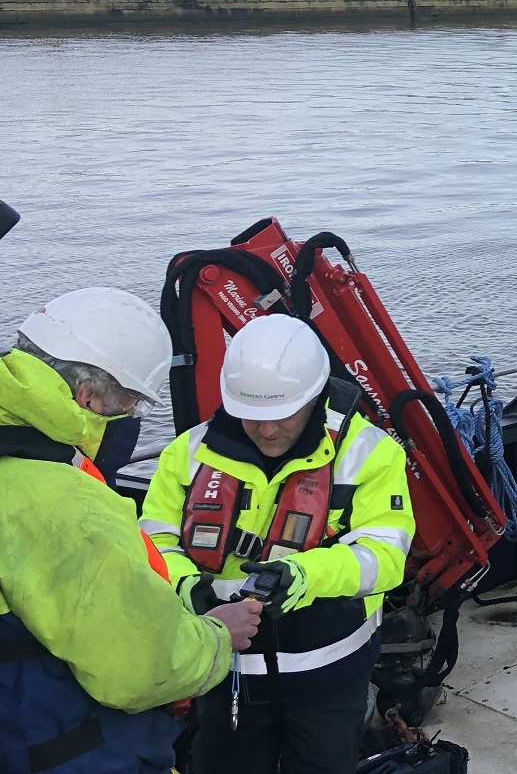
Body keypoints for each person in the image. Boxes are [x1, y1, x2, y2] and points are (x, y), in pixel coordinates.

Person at [1, 287, 262, 774]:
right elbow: (141, 668)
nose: (130, 421)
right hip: (59, 745)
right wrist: (216, 637)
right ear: (88, 396)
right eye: (129, 406)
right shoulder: (64, 503)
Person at [140, 313, 415, 774]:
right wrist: (187, 587)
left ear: (313, 397)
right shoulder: (186, 454)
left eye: (281, 415)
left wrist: (306, 576)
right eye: (253, 416)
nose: (267, 430)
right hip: (223, 673)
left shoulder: (370, 453)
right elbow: (153, 539)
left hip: (328, 675)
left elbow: (385, 555)